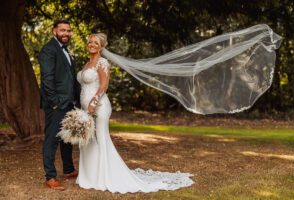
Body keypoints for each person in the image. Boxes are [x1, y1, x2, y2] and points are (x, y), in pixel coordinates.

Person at [76, 33, 194, 193]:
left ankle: (104, 177)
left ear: (101, 46)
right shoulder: (87, 64)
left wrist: (93, 102)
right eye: (90, 42)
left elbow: (103, 86)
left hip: (99, 106)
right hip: (86, 108)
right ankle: (89, 176)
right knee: (88, 139)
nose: (91, 44)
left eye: (95, 42)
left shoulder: (102, 62)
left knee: (101, 139)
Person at [39, 19, 81, 190]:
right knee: (51, 139)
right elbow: (47, 79)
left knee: (67, 138)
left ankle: (69, 169)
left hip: (70, 103)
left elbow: (70, 77)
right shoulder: (49, 50)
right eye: (62, 30)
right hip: (56, 104)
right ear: (54, 31)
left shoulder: (66, 50)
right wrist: (54, 103)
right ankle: (50, 177)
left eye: (68, 31)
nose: (66, 33)